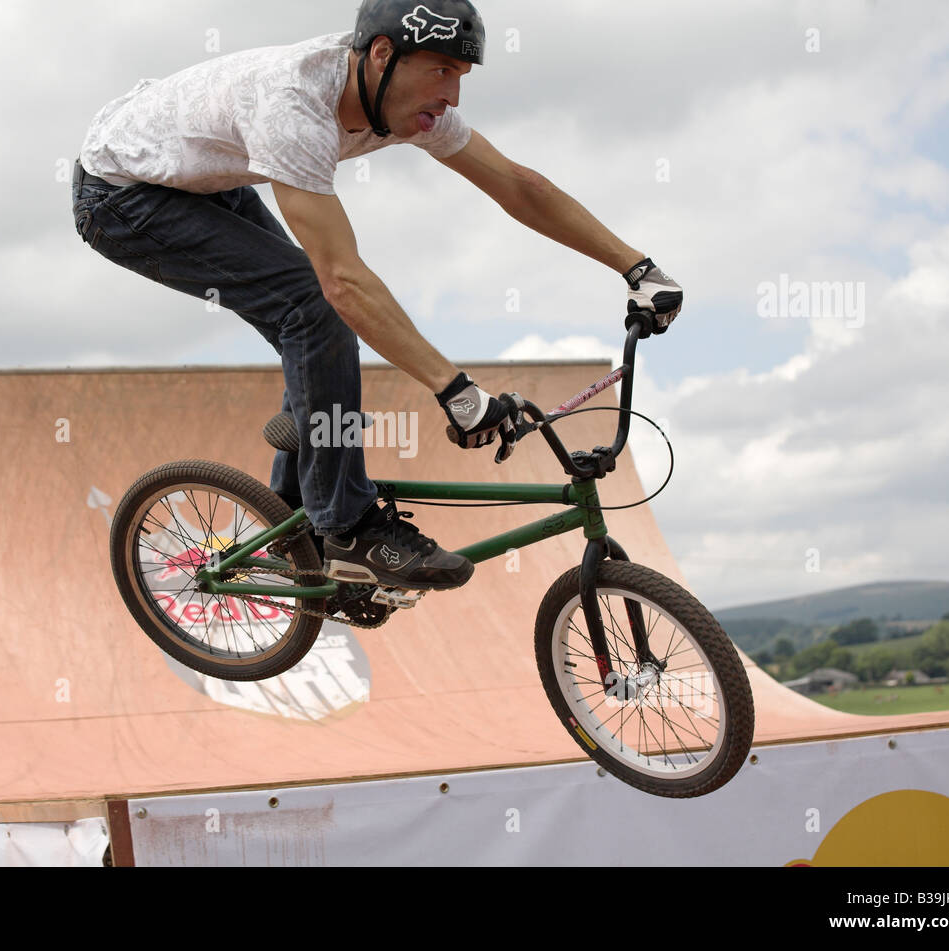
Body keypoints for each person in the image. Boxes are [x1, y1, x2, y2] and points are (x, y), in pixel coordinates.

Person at [73, 0, 682, 593]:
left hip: (202, 174)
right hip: (121, 193)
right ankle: (347, 527)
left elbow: (518, 186)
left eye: (461, 75)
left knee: (313, 316)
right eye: (441, 71)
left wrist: (637, 268)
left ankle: (296, 518)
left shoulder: (411, 105)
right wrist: (457, 390)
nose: (452, 96)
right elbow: (342, 280)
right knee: (316, 304)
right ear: (383, 54)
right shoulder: (292, 107)